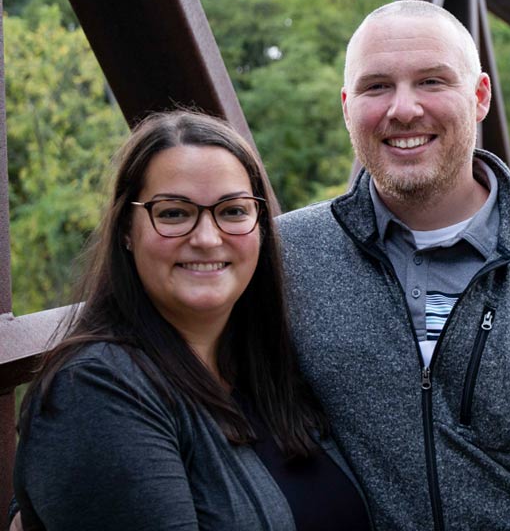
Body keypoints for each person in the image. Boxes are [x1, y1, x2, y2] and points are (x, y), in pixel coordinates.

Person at [276, 0, 510, 530]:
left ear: (480, 97)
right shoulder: (284, 255)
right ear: (347, 106)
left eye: (432, 81)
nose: (403, 109)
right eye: (376, 86)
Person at [12, 111, 372, 530]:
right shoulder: (95, 391)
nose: (206, 238)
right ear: (126, 229)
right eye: (173, 213)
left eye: (233, 211)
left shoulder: (270, 368)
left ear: (259, 228)